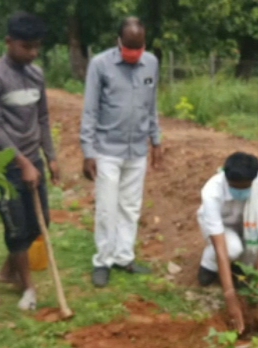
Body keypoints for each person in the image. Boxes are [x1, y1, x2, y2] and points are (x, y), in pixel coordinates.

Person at [0, 11, 59, 310]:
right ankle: (28, 289)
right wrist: (22, 162)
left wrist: (50, 157)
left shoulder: (36, 74)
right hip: (6, 167)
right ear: (9, 42)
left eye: (37, 47)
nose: (33, 53)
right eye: (27, 47)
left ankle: (8, 270)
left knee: (41, 222)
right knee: (17, 230)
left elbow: (43, 117)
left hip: (33, 161)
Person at [80, 17, 162, 287]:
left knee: (130, 207)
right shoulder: (100, 65)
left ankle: (124, 257)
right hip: (107, 149)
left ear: (144, 45)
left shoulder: (151, 63)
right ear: (119, 42)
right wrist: (88, 151)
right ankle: (102, 260)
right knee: (106, 208)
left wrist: (156, 141)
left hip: (137, 149)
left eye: (138, 48)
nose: (133, 53)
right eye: (129, 47)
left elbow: (152, 106)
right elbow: (90, 109)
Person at [197, 152, 258, 333]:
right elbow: (220, 245)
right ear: (226, 178)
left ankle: (240, 267)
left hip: (248, 223)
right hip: (221, 227)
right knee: (232, 249)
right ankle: (207, 265)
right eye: (235, 187)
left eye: (245, 187)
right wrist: (230, 297)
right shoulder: (211, 191)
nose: (240, 191)